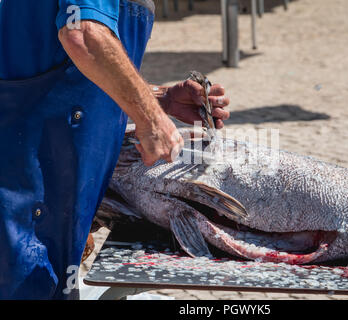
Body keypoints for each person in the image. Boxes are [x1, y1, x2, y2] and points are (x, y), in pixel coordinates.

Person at [0, 0, 229, 299]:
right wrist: (151, 118)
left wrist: (159, 98)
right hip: (20, 181)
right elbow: (82, 34)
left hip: (57, 187)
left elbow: (74, 63)